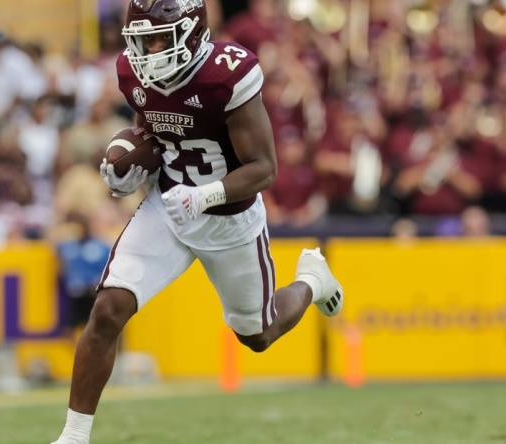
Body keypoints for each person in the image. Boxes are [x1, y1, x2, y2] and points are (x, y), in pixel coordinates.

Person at [51, 1, 344, 443]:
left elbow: (264, 168)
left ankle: (312, 280)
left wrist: (206, 194)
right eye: (139, 41)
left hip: (229, 217)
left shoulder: (227, 74)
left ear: (191, 33)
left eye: (156, 40)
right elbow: (150, 129)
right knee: (109, 308)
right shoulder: (134, 71)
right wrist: (131, 168)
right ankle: (73, 437)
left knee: (258, 334)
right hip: (167, 208)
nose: (146, 53)